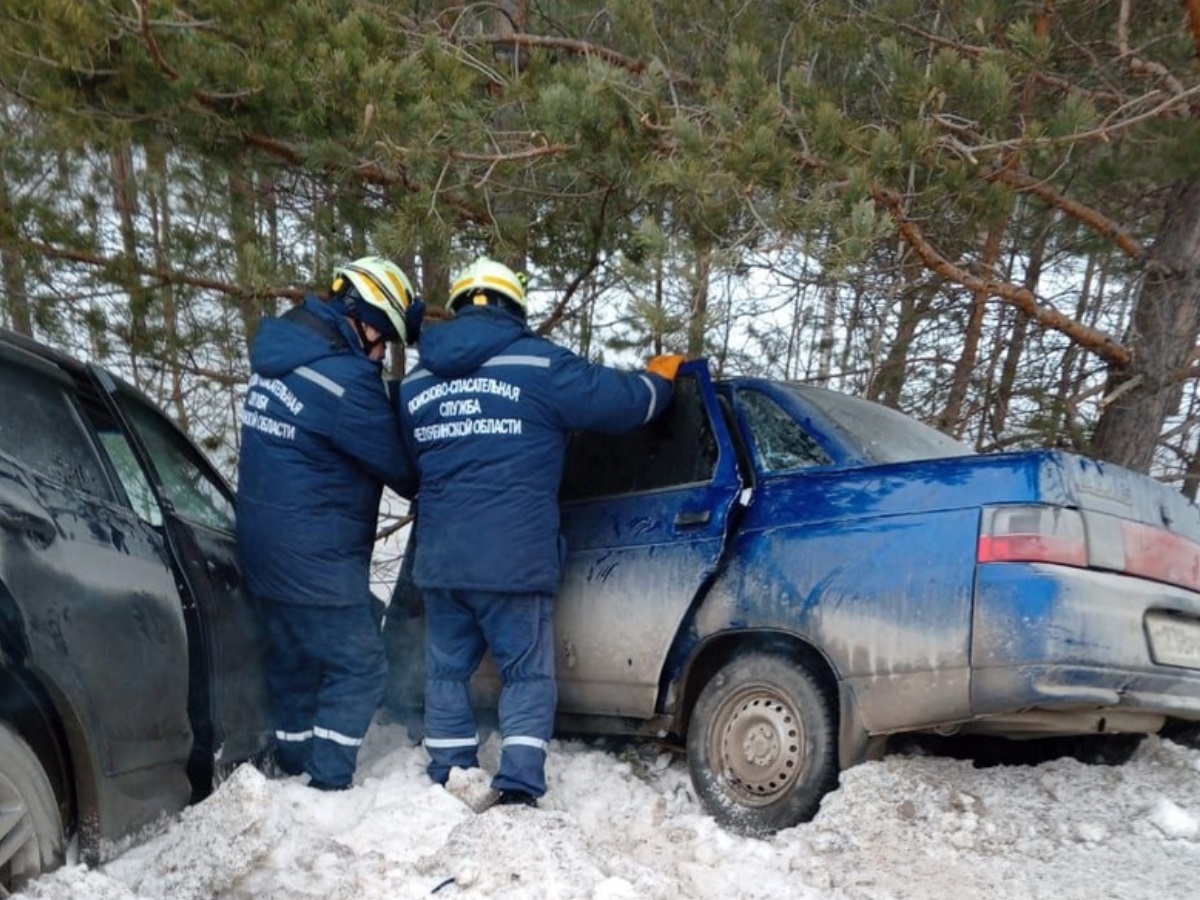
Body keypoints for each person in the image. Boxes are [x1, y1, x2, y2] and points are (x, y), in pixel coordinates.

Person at [396, 256, 685, 807]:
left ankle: (449, 775)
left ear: (457, 308)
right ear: (513, 308)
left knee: (447, 673)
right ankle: (519, 784)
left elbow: (413, 465)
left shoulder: (416, 384)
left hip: (444, 560)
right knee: (526, 675)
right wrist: (659, 381)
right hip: (514, 557)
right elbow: (624, 405)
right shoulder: (539, 363)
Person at [237, 255, 423, 791]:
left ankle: (293, 769)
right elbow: (403, 471)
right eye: (383, 335)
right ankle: (326, 785)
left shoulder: (280, 361)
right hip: (315, 561)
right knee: (362, 666)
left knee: (295, 664)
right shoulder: (345, 381)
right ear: (359, 318)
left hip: (263, 555)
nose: (384, 350)